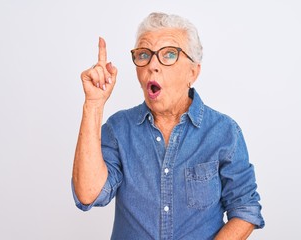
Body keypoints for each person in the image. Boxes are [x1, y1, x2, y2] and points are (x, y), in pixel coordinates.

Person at [72, 12, 265, 240]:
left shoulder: (224, 132)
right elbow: (88, 195)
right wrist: (93, 104)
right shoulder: (118, 129)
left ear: (193, 72)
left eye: (169, 54)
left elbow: (245, 210)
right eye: (144, 55)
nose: (153, 65)